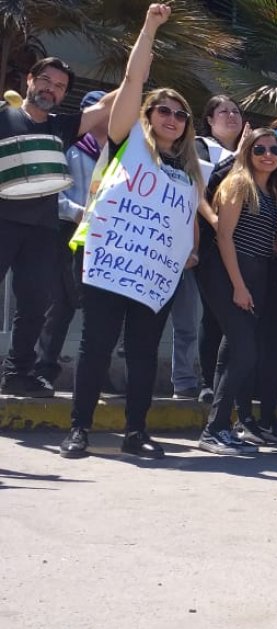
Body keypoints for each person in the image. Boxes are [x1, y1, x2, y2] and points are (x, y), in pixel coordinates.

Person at [60, 4, 195, 459]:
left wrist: (188, 252)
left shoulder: (189, 172)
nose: (171, 118)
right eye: (163, 110)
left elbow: (187, 222)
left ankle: (136, 432)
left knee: (142, 352)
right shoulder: (128, 141)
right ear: (148, 114)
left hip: (154, 274)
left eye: (180, 114)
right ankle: (79, 428)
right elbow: (135, 82)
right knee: (96, 345)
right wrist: (150, 27)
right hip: (108, 262)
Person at [1, 57, 116, 398]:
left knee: (35, 303)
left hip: (42, 230)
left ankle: (18, 373)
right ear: (30, 80)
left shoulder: (61, 127)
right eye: (46, 81)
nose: (51, 89)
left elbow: (115, 99)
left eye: (60, 86)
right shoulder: (3, 116)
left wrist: (148, 36)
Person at [196, 128, 277, 455]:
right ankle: (215, 429)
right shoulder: (239, 184)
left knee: (232, 351)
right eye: (260, 149)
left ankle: (223, 425)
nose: (268, 154)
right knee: (246, 351)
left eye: (274, 150)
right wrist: (238, 285)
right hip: (228, 274)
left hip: (257, 275)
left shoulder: (272, 192)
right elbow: (224, 237)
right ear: (247, 152)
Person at [33, 90, 107, 388]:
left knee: (101, 308)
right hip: (68, 232)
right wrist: (78, 213)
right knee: (60, 303)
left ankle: (97, 375)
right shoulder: (69, 147)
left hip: (105, 239)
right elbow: (51, 191)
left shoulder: (122, 152)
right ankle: (42, 368)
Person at [191, 94, 245, 403]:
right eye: (223, 111)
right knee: (212, 315)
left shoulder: (252, 153)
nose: (231, 116)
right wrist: (238, 155)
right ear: (209, 120)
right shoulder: (201, 145)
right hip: (208, 240)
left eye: (236, 111)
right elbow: (202, 185)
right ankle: (207, 382)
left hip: (241, 245)